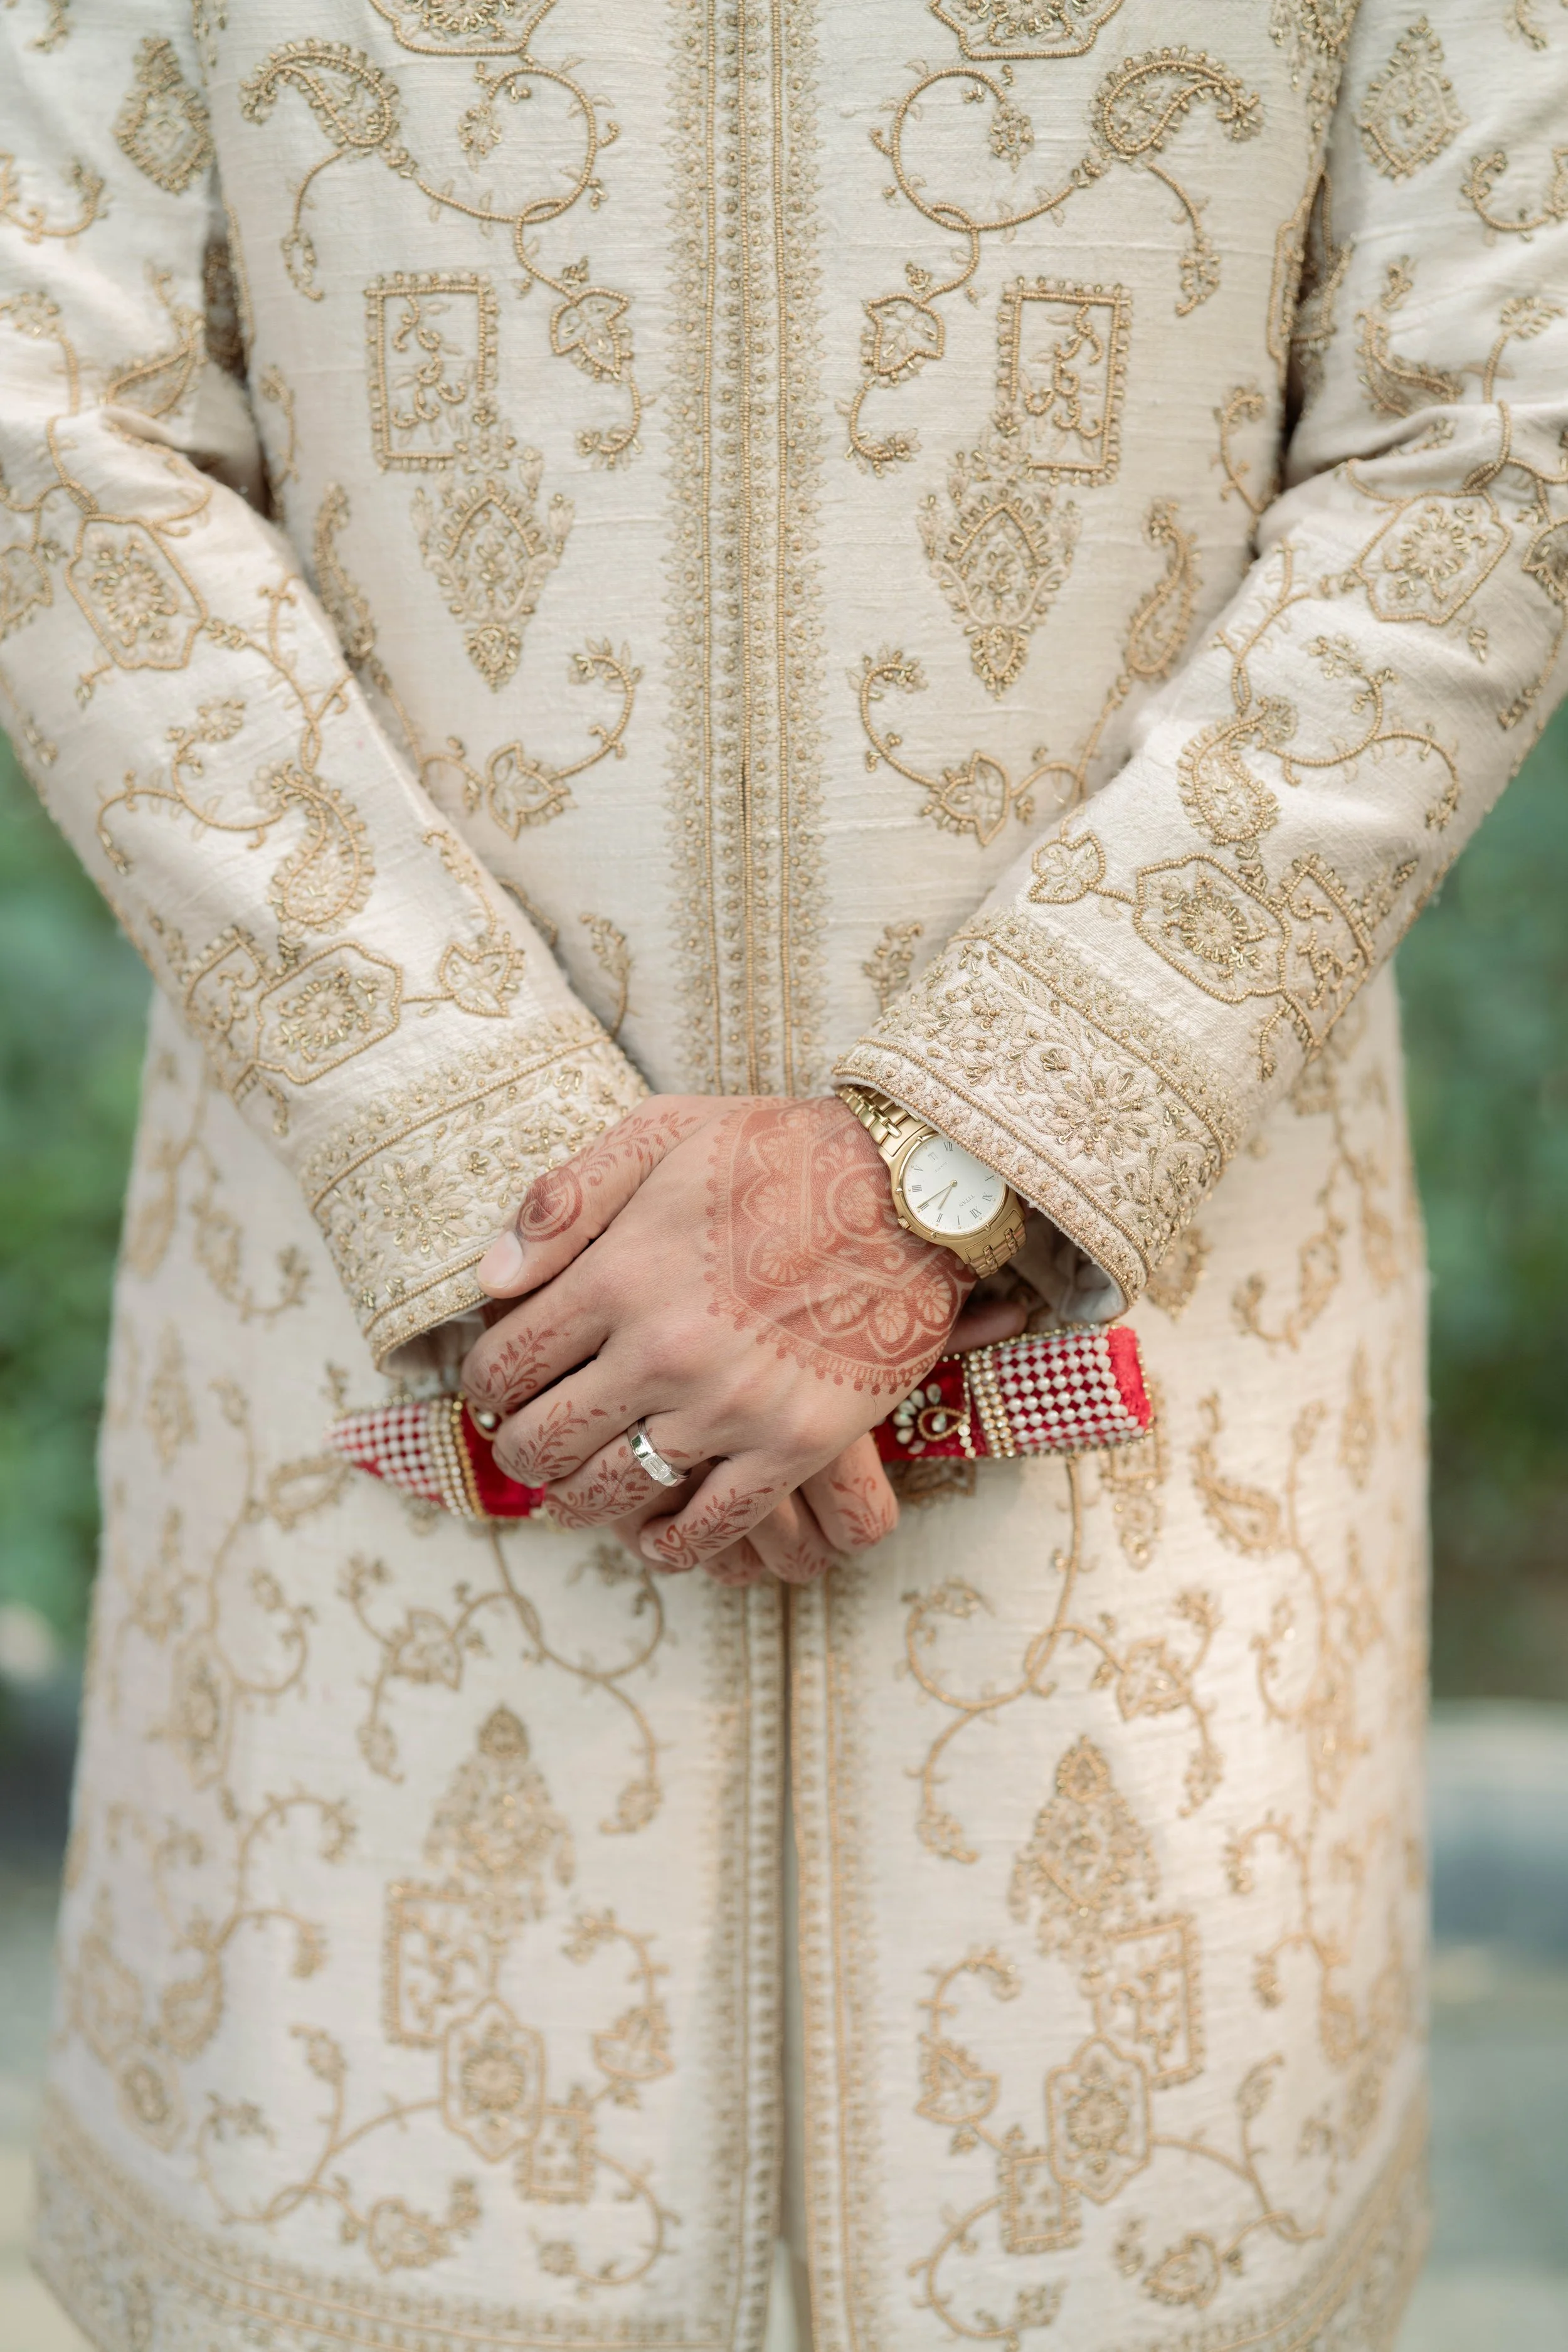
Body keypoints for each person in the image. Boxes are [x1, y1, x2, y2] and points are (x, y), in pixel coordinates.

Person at [3, 3, 1564, 2346]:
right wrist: (496, 1164)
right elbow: (49, 412)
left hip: (1119, 1434)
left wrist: (963, 1156)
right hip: (396, 1398)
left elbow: (1497, 414)